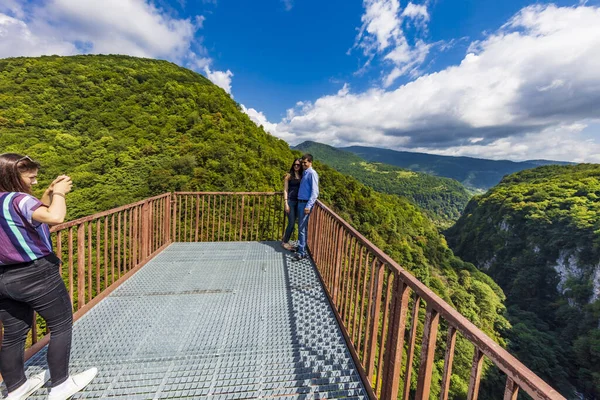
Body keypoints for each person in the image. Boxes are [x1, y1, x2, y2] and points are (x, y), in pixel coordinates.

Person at [0, 154, 97, 400]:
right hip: (35, 273)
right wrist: (61, 194)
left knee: (13, 333)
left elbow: (32, 213)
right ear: (13, 176)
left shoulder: (6, 201)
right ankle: (61, 385)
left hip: (4, 279)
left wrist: (49, 192)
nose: (33, 182)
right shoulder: (18, 199)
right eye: (30, 177)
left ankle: (16, 388)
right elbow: (54, 217)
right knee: (61, 324)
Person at [294, 154, 319, 261]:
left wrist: (308, 206)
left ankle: (302, 252)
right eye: (303, 162)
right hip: (301, 203)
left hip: (305, 204)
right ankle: (301, 247)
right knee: (301, 228)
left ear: (310, 162)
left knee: (302, 229)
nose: (303, 164)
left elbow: (315, 192)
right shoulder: (305, 173)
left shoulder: (312, 173)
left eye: (305, 162)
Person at [281, 158, 303, 251]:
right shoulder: (288, 176)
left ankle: (287, 240)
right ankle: (284, 242)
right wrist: (286, 203)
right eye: (295, 164)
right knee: (291, 223)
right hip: (290, 202)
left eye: (298, 165)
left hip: (299, 202)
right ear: (292, 165)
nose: (296, 166)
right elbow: (285, 190)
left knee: (296, 223)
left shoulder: (302, 175)